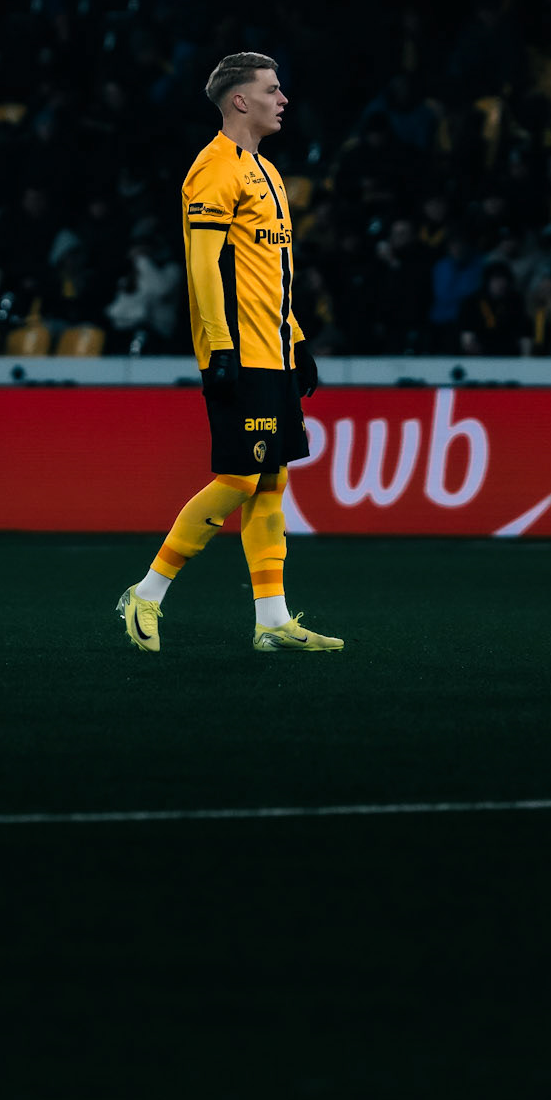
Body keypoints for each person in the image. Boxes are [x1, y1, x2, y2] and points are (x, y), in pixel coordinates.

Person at [118, 53, 343, 656]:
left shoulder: (267, 172)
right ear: (240, 100)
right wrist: (219, 347)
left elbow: (270, 274)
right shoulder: (213, 169)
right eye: (273, 89)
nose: (283, 99)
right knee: (239, 478)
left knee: (270, 482)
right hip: (239, 351)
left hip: (272, 349)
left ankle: (271, 619)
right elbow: (204, 267)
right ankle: (146, 593)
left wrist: (296, 340)